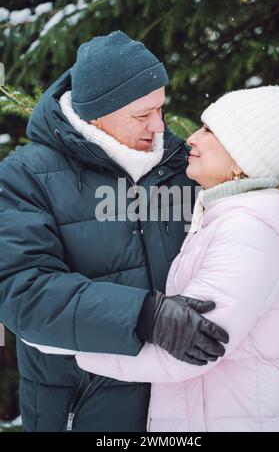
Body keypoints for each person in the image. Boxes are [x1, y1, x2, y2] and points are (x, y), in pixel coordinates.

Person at [0, 31, 228, 432]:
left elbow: (240, 232)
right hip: (83, 410)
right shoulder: (25, 177)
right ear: (96, 115)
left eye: (161, 108)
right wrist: (142, 315)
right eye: (142, 115)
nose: (159, 126)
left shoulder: (181, 169)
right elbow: (23, 292)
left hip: (182, 410)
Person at [76, 86, 279, 432]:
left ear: (243, 159)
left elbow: (186, 348)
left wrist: (68, 339)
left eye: (209, 131)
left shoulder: (247, 230)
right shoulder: (222, 218)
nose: (191, 138)